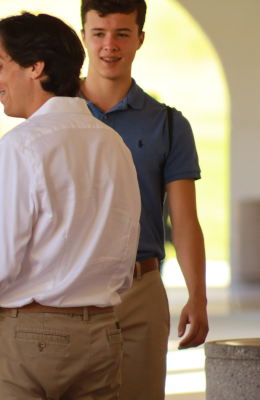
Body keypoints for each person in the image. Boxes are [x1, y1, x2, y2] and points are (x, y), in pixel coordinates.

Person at [0, 12, 141, 399]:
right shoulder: (114, 145)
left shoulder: (22, 144)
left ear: (36, 68)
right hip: (103, 335)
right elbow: (123, 256)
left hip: (30, 339)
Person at [78, 0, 209, 398]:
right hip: (66, 291)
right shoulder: (53, 113)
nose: (109, 46)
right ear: (83, 36)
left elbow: (185, 221)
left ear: (140, 39)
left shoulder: (168, 124)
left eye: (122, 34)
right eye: (98, 33)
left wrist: (198, 296)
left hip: (141, 291)